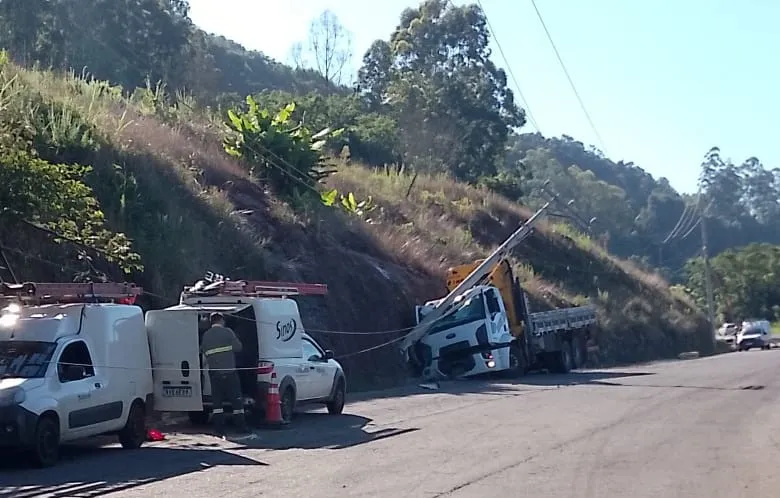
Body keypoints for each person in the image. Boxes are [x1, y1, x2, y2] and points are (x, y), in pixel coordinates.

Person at [200, 312, 249, 435]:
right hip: (230, 372)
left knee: (217, 402)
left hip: (214, 373)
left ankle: (219, 429)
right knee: (236, 400)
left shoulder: (206, 335)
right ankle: (241, 427)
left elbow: (203, 351)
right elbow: (238, 347)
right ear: (221, 320)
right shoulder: (228, 332)